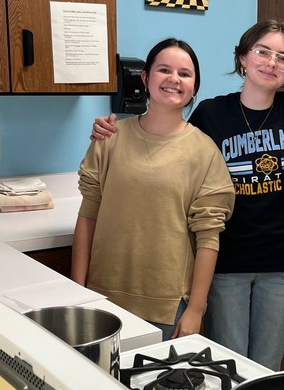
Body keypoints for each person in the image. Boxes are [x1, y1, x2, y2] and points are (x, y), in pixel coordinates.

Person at [90, 21, 284, 369]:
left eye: (283, 58)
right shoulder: (212, 113)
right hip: (227, 259)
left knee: (267, 367)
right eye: (262, 51)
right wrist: (109, 129)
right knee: (228, 364)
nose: (271, 62)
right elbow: (171, 146)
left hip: (282, 261)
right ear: (242, 59)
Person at [72, 38, 235, 341]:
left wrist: (196, 310)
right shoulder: (109, 139)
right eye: (164, 70)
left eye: (185, 74)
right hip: (103, 298)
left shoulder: (204, 152)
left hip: (168, 306)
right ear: (145, 78)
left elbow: (208, 237)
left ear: (194, 88)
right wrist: (77, 289)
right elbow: (87, 216)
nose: (174, 79)